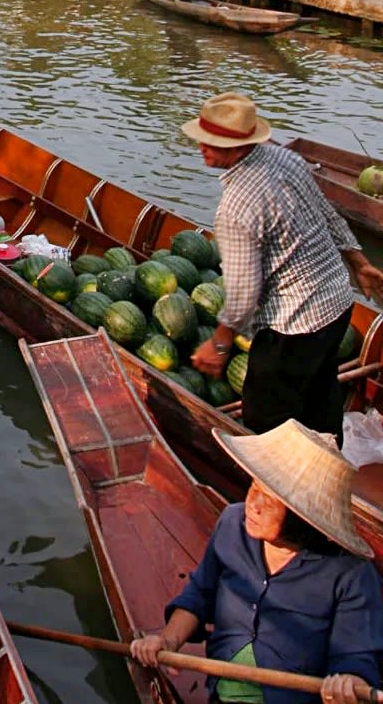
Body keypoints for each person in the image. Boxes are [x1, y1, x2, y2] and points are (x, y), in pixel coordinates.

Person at [130, 420, 383, 704]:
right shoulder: (232, 524)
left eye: (269, 501)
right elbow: (200, 594)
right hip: (219, 692)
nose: (253, 505)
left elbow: (356, 657)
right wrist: (167, 641)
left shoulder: (351, 575)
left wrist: (348, 682)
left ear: (301, 519)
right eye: (253, 489)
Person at [183, 94, 383, 438]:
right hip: (337, 305)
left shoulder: (235, 207)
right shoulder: (286, 158)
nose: (201, 146)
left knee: (265, 416)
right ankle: (328, 462)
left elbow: (244, 293)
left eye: (211, 142)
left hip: (293, 325)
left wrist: (218, 344)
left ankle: (280, 486)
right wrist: (359, 261)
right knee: (321, 398)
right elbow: (326, 211)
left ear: (238, 148)